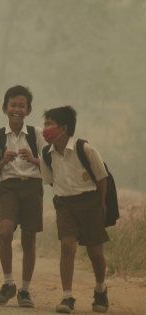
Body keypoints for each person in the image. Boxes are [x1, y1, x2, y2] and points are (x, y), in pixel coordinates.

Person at [40, 106, 109, 314]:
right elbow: (51, 181)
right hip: (64, 204)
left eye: (49, 124)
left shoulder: (85, 149)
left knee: (95, 251)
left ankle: (100, 289)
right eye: (45, 124)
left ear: (64, 128)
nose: (45, 129)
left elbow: (102, 177)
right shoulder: (46, 154)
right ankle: (67, 296)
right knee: (67, 246)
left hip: (90, 202)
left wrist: (101, 203)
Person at [0, 86, 45, 307]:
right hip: (8, 188)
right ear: (5, 108)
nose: (17, 109)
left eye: (22, 105)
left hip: (32, 187)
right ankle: (8, 283)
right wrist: (4, 161)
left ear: (28, 110)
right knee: (5, 232)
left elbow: (49, 165)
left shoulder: (37, 134)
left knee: (29, 238)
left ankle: (25, 290)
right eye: (13, 105)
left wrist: (34, 160)